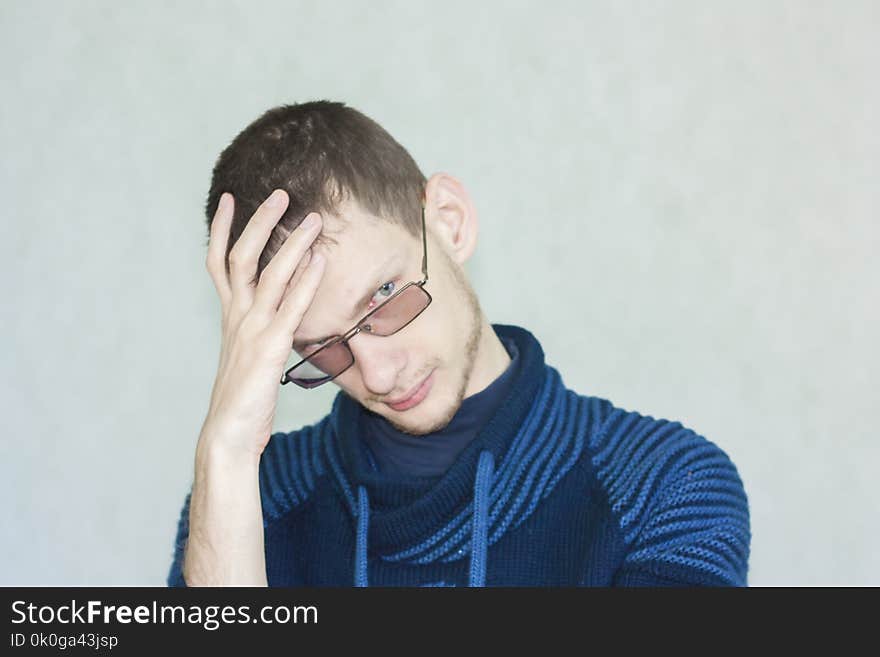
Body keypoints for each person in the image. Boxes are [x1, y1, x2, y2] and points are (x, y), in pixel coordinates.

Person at [166, 100, 751, 587]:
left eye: (384, 296)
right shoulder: (252, 495)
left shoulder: (664, 484)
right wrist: (226, 448)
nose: (376, 372)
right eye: (321, 347)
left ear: (448, 222)